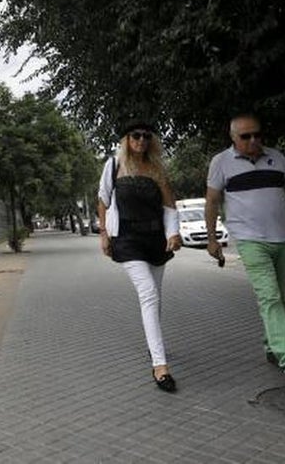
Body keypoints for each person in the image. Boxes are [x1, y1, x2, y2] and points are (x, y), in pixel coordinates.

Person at [205, 113, 285, 391]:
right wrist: (213, 239)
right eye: (245, 136)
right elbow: (212, 201)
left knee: (278, 298)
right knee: (270, 297)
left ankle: (271, 344)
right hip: (250, 241)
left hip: (282, 240)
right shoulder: (221, 163)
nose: (253, 141)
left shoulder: (276, 157)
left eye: (257, 135)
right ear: (233, 138)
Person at [97, 120, 183, 392]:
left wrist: (173, 233)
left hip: (155, 240)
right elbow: (103, 200)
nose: (141, 140)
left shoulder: (157, 168)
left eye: (146, 136)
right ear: (126, 139)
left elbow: (170, 206)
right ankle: (160, 365)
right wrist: (103, 233)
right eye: (135, 135)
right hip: (127, 240)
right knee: (148, 293)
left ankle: (153, 346)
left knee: (155, 298)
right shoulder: (114, 166)